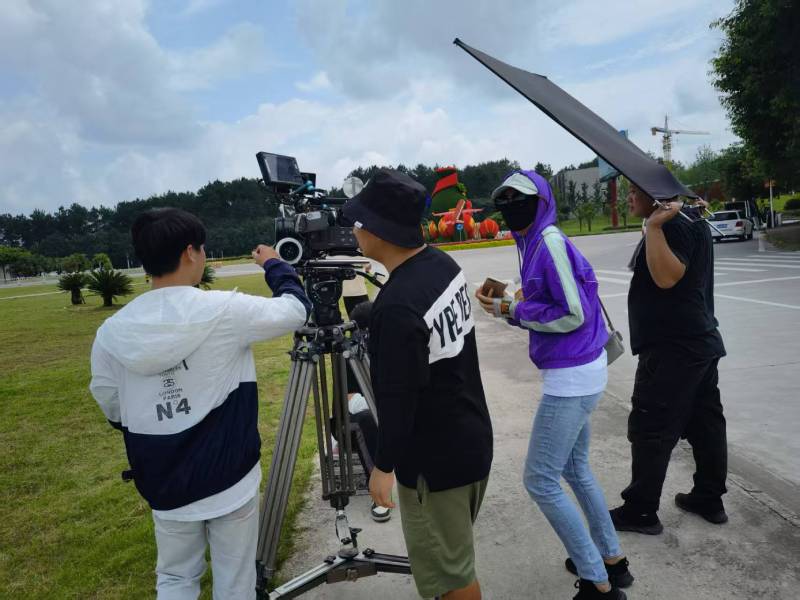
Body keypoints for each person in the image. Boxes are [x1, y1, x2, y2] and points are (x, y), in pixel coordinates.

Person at [89, 208, 311, 599]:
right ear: (191, 253)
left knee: (175, 578)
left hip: (162, 479)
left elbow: (111, 402)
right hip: (230, 476)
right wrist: (275, 265)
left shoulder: (111, 332)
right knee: (234, 580)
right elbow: (295, 311)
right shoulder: (225, 310)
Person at [475, 170, 632, 600]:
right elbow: (553, 298)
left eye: (518, 198)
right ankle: (611, 560)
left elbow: (573, 314)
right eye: (502, 199)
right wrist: (513, 301)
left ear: (540, 200)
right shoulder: (533, 240)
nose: (510, 206)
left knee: (540, 479)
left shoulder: (548, 241)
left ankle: (597, 582)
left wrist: (511, 309)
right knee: (575, 468)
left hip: (572, 376)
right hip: (580, 371)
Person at [343, 169, 493, 600]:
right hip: (470, 438)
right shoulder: (442, 264)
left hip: (435, 465)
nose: (354, 230)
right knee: (454, 559)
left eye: (359, 222)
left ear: (379, 231)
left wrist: (382, 468)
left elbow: (398, 401)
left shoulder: (396, 308)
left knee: (451, 576)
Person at [609, 185, 728, 535]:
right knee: (706, 424)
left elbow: (667, 277)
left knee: (651, 426)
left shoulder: (671, 224)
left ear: (656, 194)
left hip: (674, 348)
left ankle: (641, 510)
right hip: (698, 342)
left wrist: (656, 228)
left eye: (634, 191)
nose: (628, 198)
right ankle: (708, 497)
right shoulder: (691, 217)